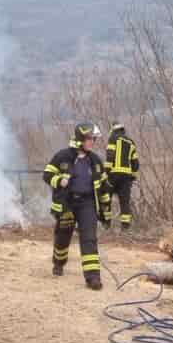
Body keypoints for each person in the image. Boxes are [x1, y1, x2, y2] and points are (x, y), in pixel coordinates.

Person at [43, 122, 114, 290]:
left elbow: (104, 189)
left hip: (87, 203)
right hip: (66, 204)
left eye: (93, 139)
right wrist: (59, 180)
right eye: (90, 138)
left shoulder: (95, 161)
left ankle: (93, 277)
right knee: (63, 236)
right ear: (80, 138)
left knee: (89, 238)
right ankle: (59, 263)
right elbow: (47, 174)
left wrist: (106, 212)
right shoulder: (62, 156)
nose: (92, 142)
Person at [105, 122, 140, 231]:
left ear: (113, 130)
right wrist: (133, 176)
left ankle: (107, 225)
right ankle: (125, 228)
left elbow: (110, 156)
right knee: (124, 202)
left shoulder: (112, 138)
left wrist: (106, 172)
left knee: (106, 199)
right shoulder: (131, 142)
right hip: (126, 177)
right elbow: (135, 163)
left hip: (113, 175)